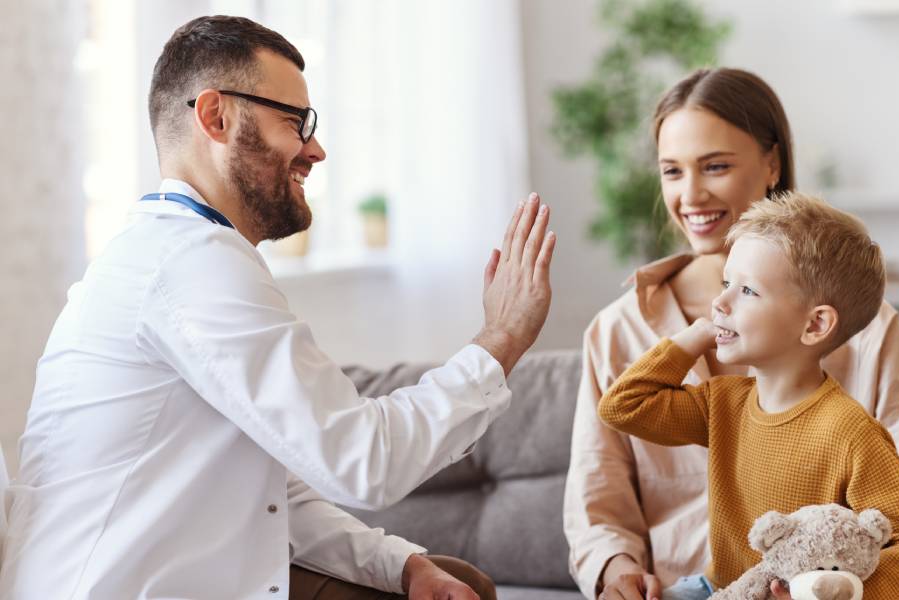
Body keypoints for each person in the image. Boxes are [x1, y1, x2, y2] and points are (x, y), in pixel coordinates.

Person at [0, 16, 556, 600]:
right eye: (295, 122)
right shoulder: (189, 262)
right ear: (215, 117)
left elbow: (272, 487)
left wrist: (401, 565)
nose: (315, 149)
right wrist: (504, 336)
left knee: (450, 580)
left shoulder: (181, 253)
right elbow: (363, 461)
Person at [564, 67, 899, 600]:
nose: (691, 194)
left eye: (716, 166)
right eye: (672, 171)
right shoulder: (617, 332)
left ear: (772, 163)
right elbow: (598, 504)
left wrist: (840, 592)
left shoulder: (868, 333)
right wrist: (616, 573)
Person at [598, 192, 899, 599]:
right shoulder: (721, 403)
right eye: (727, 283)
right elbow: (622, 407)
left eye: (747, 291)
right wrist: (688, 340)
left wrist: (835, 593)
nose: (720, 302)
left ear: (815, 325)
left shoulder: (851, 432)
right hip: (720, 588)